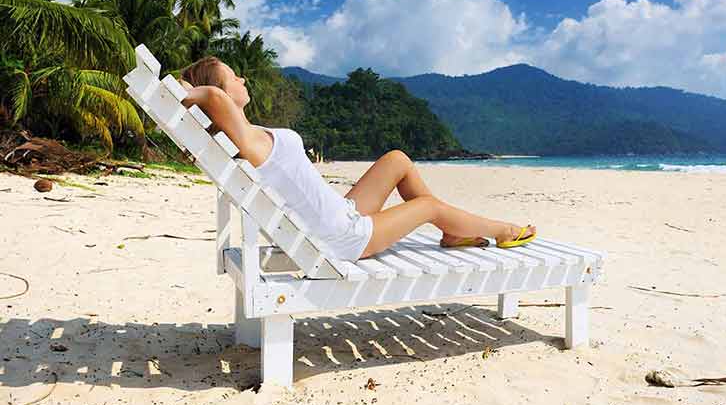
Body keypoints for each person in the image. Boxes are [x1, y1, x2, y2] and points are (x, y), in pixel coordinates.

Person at [179, 56, 536, 261]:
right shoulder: (247, 141)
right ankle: (501, 231)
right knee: (428, 205)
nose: (242, 78)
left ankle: (453, 234)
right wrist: (200, 90)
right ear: (223, 95)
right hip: (343, 236)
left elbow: (216, 99)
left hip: (341, 213)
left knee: (397, 159)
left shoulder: (250, 134)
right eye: (232, 77)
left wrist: (204, 92)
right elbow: (213, 96)